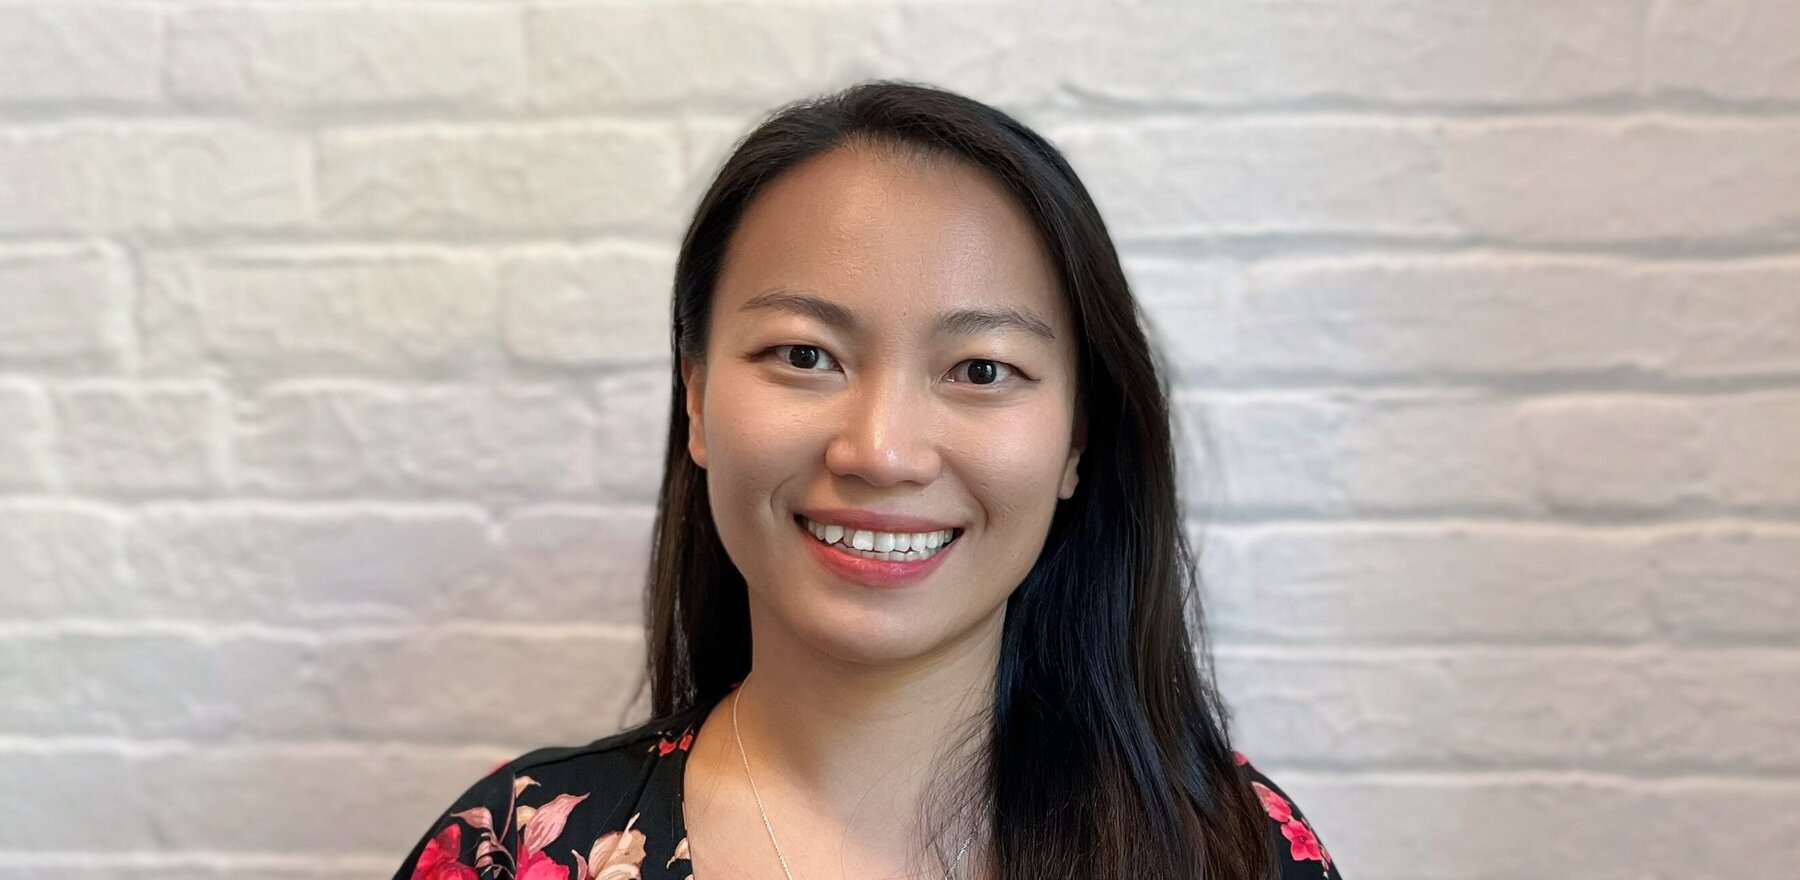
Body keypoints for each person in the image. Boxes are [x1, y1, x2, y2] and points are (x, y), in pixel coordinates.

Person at [391, 80, 1339, 880]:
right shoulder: (517, 850)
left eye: (980, 370)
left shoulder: (1233, 851)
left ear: (1077, 439)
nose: (882, 452)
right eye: (806, 354)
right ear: (697, 399)